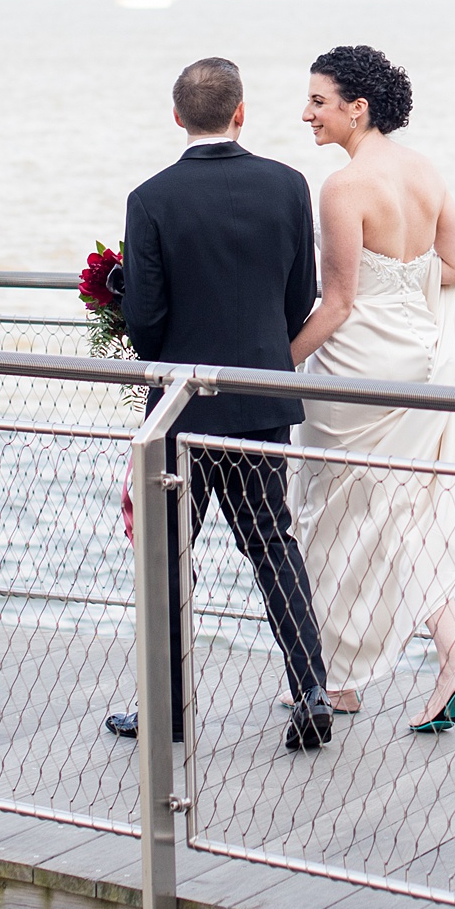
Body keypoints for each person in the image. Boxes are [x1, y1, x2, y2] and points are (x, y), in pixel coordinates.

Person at [111, 57, 332, 755]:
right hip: (263, 397)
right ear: (241, 112)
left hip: (181, 409)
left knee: (169, 552)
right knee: (273, 543)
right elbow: (301, 299)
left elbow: (146, 324)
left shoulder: (150, 199)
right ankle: (312, 688)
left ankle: (169, 709)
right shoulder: (289, 185)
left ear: (177, 117)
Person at [290, 45, 455, 732]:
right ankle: (443, 665)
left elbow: (338, 303)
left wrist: (276, 362)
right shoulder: (423, 171)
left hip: (356, 367)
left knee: (333, 518)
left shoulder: (343, 188)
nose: (306, 114)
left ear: (357, 108)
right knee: (398, 517)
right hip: (418, 359)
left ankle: (344, 679)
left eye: (319, 101)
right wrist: (406, 287)